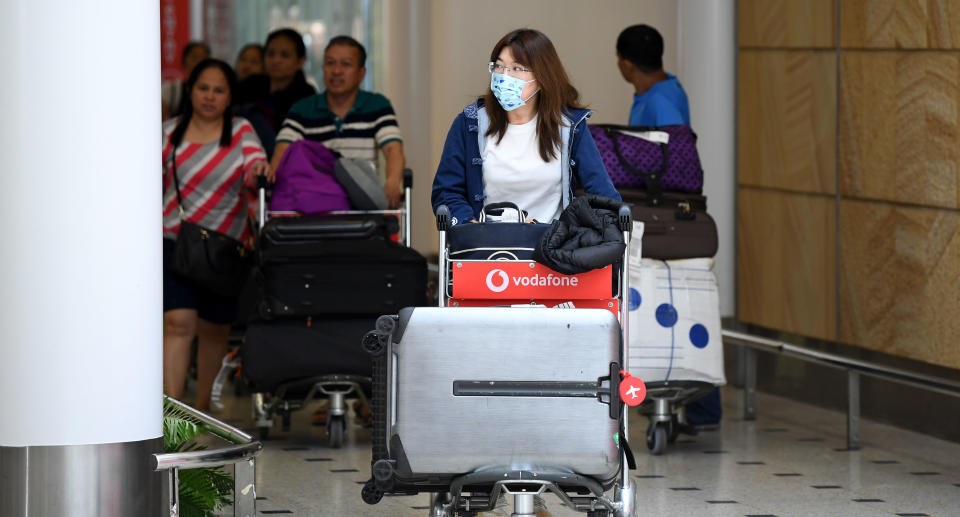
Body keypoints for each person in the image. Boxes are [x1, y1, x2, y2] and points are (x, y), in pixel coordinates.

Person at [162, 58, 271, 411]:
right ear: (191, 91)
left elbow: (256, 168)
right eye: (203, 88)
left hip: (225, 246)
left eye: (218, 90)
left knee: (214, 330)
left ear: (229, 96)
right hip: (173, 240)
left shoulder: (241, 131)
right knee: (178, 322)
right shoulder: (167, 134)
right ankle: (171, 410)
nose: (209, 96)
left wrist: (259, 173)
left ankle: (202, 411)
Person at [432, 28, 620, 227]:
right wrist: (471, 228)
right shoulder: (469, 123)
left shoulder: (569, 127)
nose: (504, 76)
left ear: (542, 77)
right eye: (499, 66)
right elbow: (446, 192)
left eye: (517, 68)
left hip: (551, 248)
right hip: (486, 248)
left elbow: (604, 196)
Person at [272, 35, 406, 208]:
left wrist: (393, 182)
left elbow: (393, 149)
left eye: (346, 64)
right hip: (316, 206)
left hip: (363, 208)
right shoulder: (302, 110)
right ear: (323, 68)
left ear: (361, 73)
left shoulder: (377, 106)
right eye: (330, 63)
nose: (336, 71)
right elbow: (282, 154)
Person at [235, 28, 318, 156]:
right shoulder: (251, 84)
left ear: (300, 61)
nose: (276, 60)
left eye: (284, 55)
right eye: (271, 54)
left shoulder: (306, 96)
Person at [616, 24, 690, 127]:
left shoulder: (661, 103)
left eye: (618, 58)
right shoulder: (667, 88)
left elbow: (674, 141)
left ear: (627, 65)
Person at [162, 41, 211, 120]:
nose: (199, 61)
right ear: (184, 61)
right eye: (194, 57)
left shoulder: (214, 91)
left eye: (203, 58)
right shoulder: (171, 90)